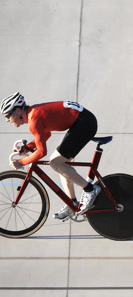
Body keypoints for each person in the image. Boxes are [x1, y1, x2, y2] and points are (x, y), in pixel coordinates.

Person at [1, 92, 101, 220]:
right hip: (82, 121)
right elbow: (46, 134)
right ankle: (72, 204)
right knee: (60, 165)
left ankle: (90, 189)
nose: (7, 119)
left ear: (18, 111)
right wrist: (27, 148)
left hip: (84, 124)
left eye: (8, 115)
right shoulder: (33, 112)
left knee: (55, 163)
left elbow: (42, 152)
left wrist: (22, 162)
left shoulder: (33, 120)